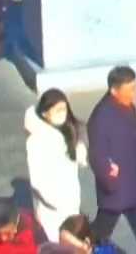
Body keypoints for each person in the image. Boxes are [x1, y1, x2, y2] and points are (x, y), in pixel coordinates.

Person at [88, 66, 136, 254]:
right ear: (114, 90)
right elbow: (97, 155)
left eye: (135, 87)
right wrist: (110, 180)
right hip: (117, 189)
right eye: (130, 89)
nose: (134, 93)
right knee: (101, 231)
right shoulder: (100, 117)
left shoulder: (129, 107)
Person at [26, 89, 87, 242]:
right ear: (45, 113)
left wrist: (79, 151)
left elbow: (77, 160)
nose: (62, 114)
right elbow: (37, 179)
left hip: (71, 201)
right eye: (57, 110)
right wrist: (55, 202)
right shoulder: (36, 141)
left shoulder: (68, 131)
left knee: (72, 241)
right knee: (57, 243)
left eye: (64, 109)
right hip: (52, 208)